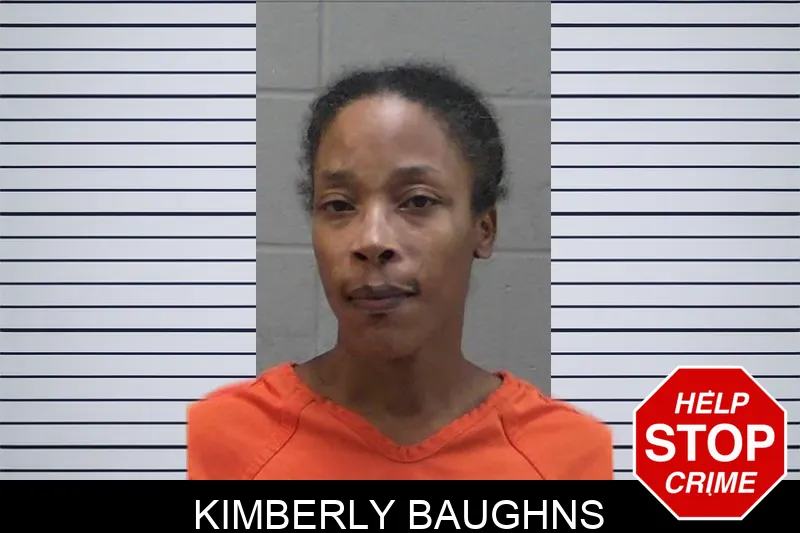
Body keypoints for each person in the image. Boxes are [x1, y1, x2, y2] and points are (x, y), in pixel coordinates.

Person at [187, 61, 613, 480]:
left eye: (418, 201)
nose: (372, 240)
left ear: (483, 229)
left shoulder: (574, 458)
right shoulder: (214, 443)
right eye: (339, 205)